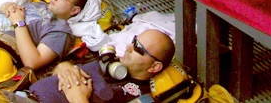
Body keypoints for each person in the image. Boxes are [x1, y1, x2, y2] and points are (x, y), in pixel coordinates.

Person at [30, 29, 175, 103]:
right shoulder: (111, 62)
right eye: (133, 40)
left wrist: (78, 99)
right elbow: (65, 68)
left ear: (155, 67)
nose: (129, 46)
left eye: (138, 48)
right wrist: (63, 67)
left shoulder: (140, 98)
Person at [0, 0, 89, 70]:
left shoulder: (60, 31)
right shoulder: (41, 5)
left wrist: (19, 22)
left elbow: (33, 62)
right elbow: (4, 11)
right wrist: (6, 6)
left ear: (74, 10)